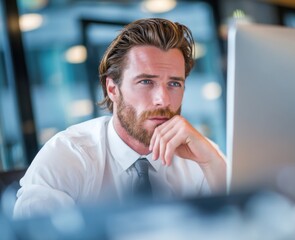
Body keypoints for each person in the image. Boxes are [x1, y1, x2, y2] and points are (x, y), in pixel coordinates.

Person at [13, 18, 226, 218]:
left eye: (174, 84)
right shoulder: (69, 154)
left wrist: (212, 163)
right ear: (112, 89)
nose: (163, 99)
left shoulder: (202, 155)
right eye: (146, 82)